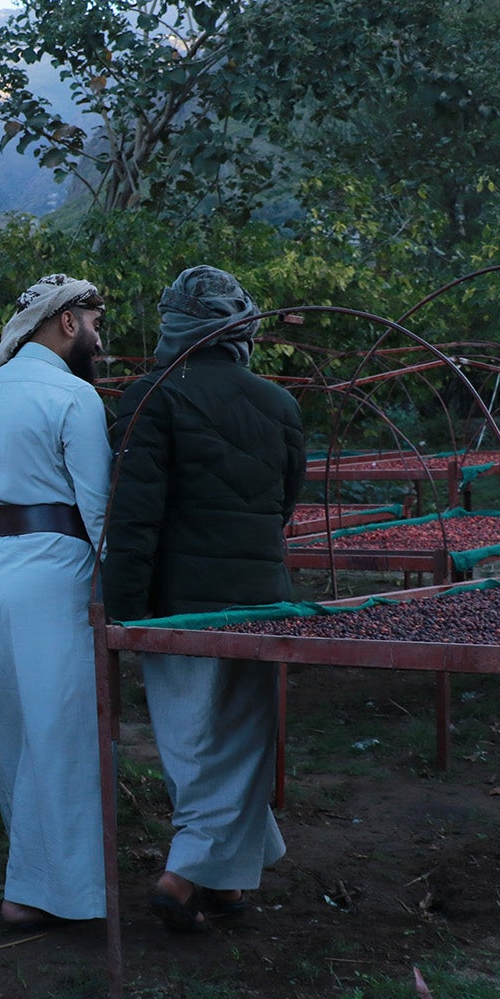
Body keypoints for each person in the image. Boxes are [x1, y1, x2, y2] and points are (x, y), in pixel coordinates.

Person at [101, 266, 305, 932]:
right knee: (242, 738)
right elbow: (284, 502)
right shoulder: (279, 403)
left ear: (175, 328)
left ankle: (183, 874)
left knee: (193, 742)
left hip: (179, 602)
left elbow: (131, 517)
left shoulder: (152, 396)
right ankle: (226, 884)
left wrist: (122, 607)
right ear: (237, 328)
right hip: (261, 601)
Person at [0, 273, 111, 928]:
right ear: (68, 321)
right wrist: (115, 595)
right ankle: (61, 894)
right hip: (54, 569)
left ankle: (30, 882)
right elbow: (98, 506)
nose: (99, 339)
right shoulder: (74, 397)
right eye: (96, 324)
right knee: (63, 728)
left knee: (15, 727)